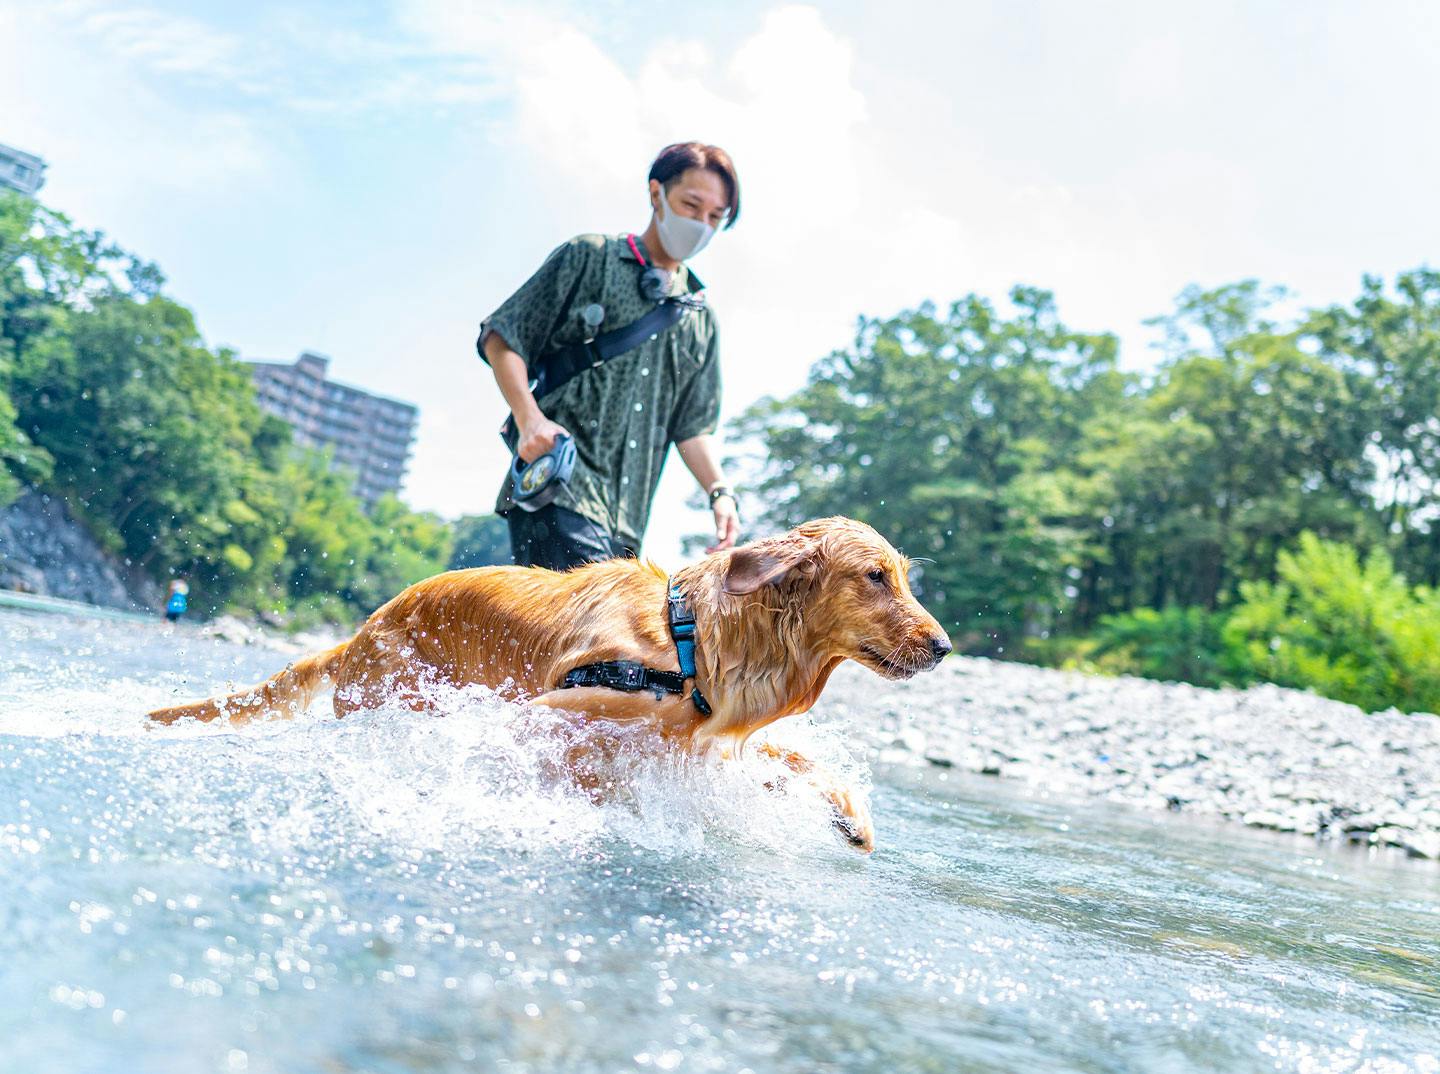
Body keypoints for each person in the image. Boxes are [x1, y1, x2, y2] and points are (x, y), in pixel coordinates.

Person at [477, 141, 743, 571]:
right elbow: (503, 336)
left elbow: (691, 427)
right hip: (558, 487)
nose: (701, 225)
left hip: (626, 522)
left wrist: (719, 491)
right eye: (692, 206)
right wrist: (529, 420)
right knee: (588, 633)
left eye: (716, 217)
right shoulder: (588, 257)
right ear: (656, 194)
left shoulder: (699, 317)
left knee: (583, 637)